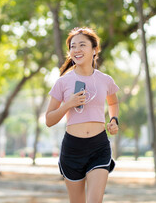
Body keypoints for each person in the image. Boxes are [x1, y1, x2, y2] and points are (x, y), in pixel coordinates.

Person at [45, 27, 119, 203]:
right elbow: (49, 120)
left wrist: (114, 120)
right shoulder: (63, 82)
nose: (76, 50)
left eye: (82, 45)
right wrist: (68, 104)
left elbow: (113, 102)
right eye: (72, 46)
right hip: (73, 149)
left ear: (94, 49)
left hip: (99, 147)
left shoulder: (105, 80)